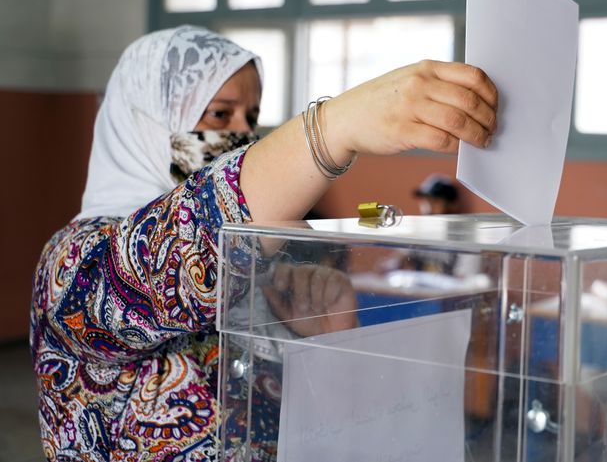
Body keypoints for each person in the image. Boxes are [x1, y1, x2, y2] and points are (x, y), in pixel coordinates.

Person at [30, 25, 498, 461]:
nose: (242, 135)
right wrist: (333, 127)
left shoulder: (262, 279)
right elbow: (174, 256)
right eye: (219, 113)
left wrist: (327, 341)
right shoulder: (74, 262)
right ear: (145, 120)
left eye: (250, 117)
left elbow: (324, 435)